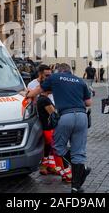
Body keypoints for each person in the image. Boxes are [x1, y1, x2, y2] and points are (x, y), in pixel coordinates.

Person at [26, 63, 92, 193]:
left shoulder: (55, 77)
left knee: (57, 146)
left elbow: (39, 90)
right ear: (70, 71)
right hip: (82, 116)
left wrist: (28, 95)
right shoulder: (80, 80)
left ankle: (79, 168)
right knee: (78, 152)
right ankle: (76, 186)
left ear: (59, 70)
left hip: (66, 116)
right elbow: (88, 102)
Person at [36, 90, 72, 183]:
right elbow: (53, 114)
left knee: (50, 149)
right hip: (49, 129)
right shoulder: (45, 100)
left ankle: (49, 167)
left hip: (45, 128)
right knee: (57, 150)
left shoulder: (41, 98)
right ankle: (65, 174)